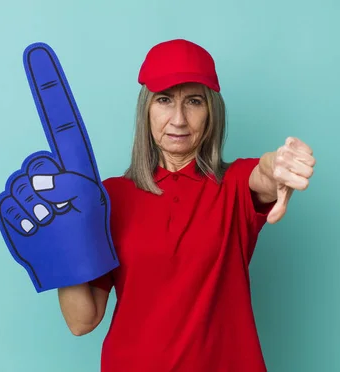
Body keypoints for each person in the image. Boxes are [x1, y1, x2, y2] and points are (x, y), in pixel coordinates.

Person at [56, 39, 316, 372]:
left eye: (193, 101)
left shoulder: (233, 186)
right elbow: (82, 321)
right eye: (164, 100)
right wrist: (62, 244)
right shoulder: (111, 198)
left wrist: (277, 166)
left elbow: (262, 174)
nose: (178, 119)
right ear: (146, 109)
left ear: (211, 112)